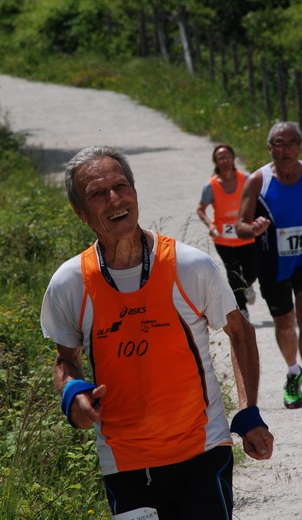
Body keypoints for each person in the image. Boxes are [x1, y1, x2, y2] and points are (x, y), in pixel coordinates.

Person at [41, 145, 273, 520]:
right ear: (81, 213)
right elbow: (65, 359)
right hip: (124, 465)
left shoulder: (189, 265)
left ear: (134, 191)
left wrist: (248, 413)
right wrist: (73, 393)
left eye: (121, 186)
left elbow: (240, 333)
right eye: (98, 194)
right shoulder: (70, 283)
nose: (114, 199)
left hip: (201, 452)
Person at [236, 121, 302, 409]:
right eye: (279, 143)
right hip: (272, 263)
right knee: (285, 324)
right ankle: (292, 372)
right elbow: (239, 226)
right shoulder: (258, 180)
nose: (285, 149)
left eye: (291, 143)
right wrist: (254, 229)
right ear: (270, 148)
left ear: (299, 146)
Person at [197, 144, 257, 320]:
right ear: (216, 162)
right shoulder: (211, 186)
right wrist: (210, 225)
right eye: (220, 158)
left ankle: (248, 285)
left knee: (251, 272)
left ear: (233, 158)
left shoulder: (246, 179)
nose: (225, 161)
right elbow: (201, 209)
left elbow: (259, 199)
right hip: (223, 239)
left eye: (227, 156)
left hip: (246, 235)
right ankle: (243, 309)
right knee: (233, 272)